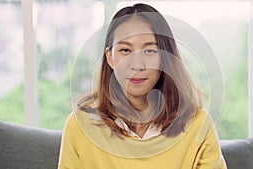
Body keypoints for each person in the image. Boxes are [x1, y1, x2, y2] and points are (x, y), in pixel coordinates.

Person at [58, 3, 226, 169]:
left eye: (149, 51)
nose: (137, 65)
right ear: (110, 58)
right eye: (125, 50)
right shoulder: (81, 125)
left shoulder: (197, 123)